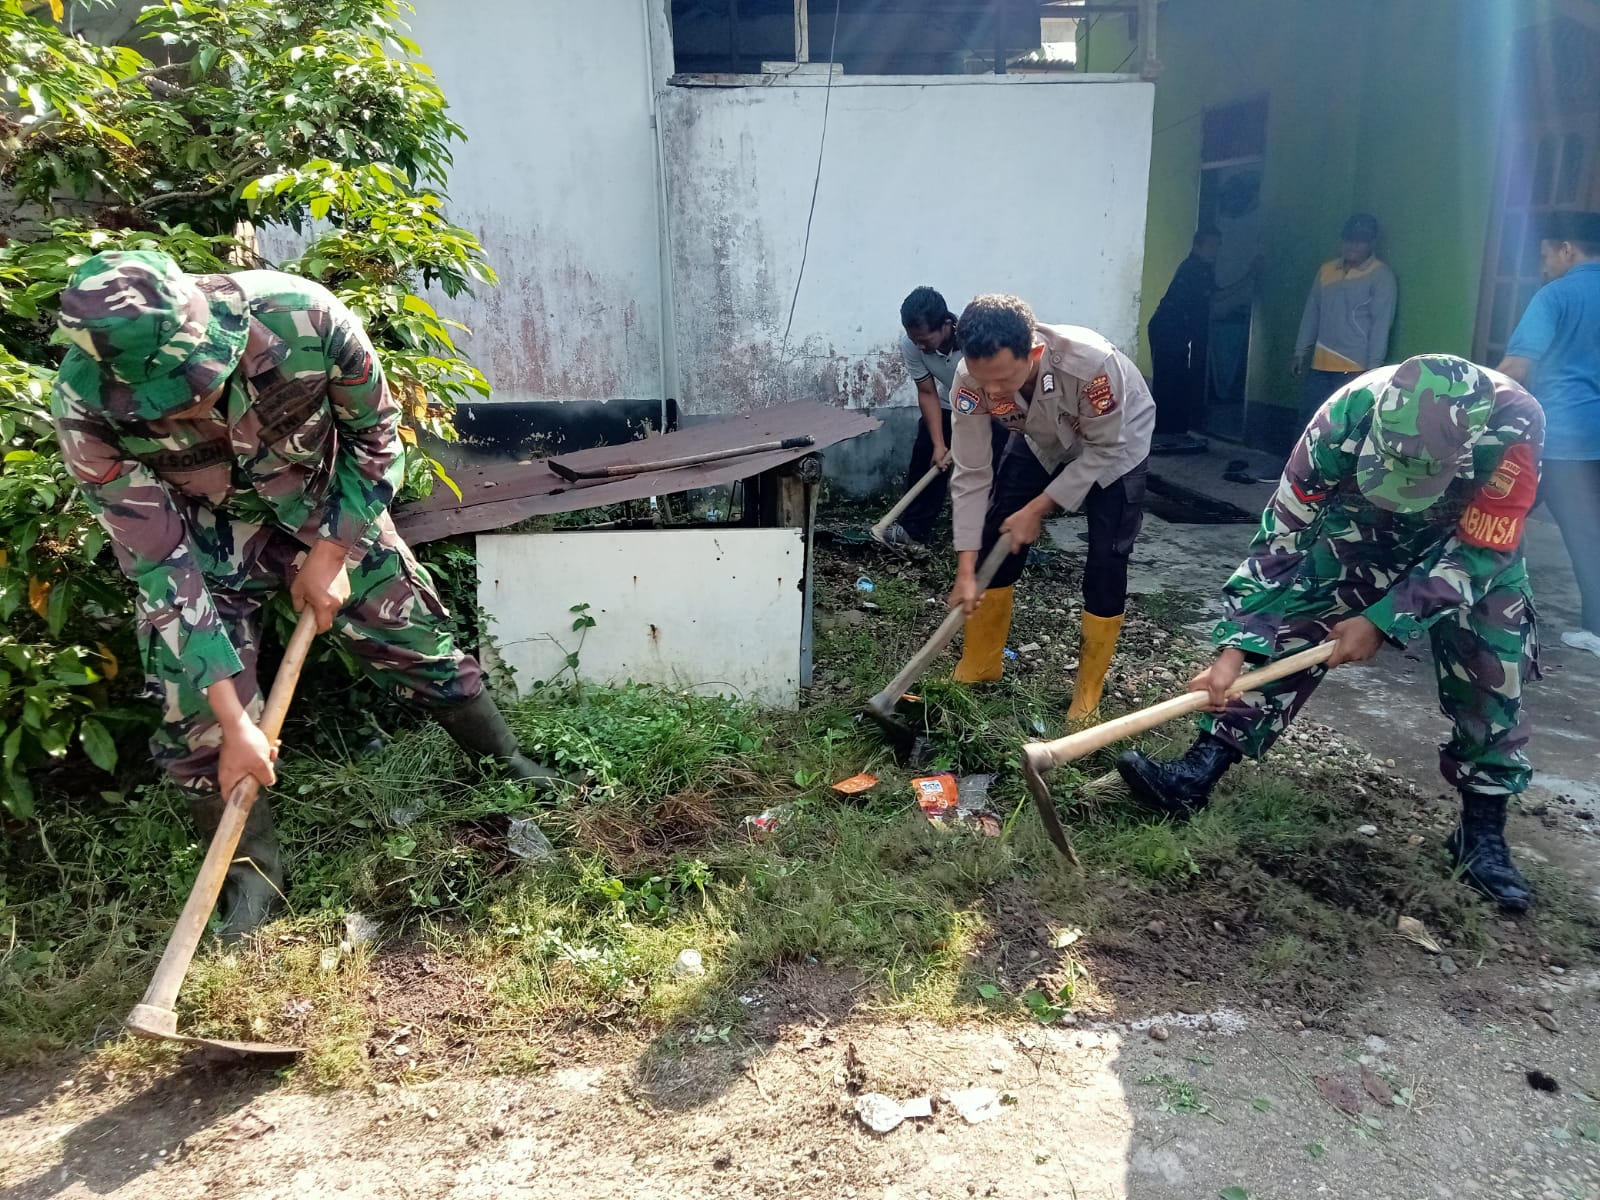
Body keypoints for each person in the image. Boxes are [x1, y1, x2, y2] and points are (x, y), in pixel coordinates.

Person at [51, 250, 565, 938]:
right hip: (203, 539)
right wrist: (235, 724)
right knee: (195, 707)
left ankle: (508, 764)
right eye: (163, 396)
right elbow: (160, 565)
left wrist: (333, 551)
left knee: (413, 634)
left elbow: (376, 438)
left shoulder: (305, 317)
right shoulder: (85, 410)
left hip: (327, 507)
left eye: (195, 377)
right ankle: (251, 879)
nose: (189, 402)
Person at [1118, 356, 1544, 913]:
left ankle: (1482, 832)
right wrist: (1236, 646)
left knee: (1491, 668)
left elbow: (1484, 547)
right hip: (1362, 525)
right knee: (1295, 621)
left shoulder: (1516, 423)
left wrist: (1384, 619)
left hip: (1466, 545)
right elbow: (1284, 538)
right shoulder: (1343, 416)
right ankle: (1198, 771)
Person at [945, 294, 1155, 720]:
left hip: (1116, 445)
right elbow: (971, 473)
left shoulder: (1092, 365)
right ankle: (981, 665)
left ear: (1034, 351)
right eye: (985, 381)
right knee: (999, 527)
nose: (992, 391)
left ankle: (1087, 695)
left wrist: (1039, 508)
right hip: (1042, 437)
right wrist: (966, 569)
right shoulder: (970, 379)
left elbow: (1102, 450)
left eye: (1004, 379)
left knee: (1106, 558)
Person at [1496, 209, 1600, 659]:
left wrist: (1474, 403)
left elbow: (1516, 367)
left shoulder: (1555, 295)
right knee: (1587, 532)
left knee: (1487, 514)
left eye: (1545, 256)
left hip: (1559, 438)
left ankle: (1443, 598)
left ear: (1567, 249)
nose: (1542, 267)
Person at [1259, 213, 1396, 481]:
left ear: (1371, 243)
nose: (1353, 246)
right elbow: (1312, 313)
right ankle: (1295, 475)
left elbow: (1381, 325)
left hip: (1356, 368)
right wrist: (1300, 351)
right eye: (1349, 240)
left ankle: (1335, 482)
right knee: (1308, 421)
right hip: (1321, 363)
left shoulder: (1381, 276)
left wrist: (1373, 371)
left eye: (1360, 241)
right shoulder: (1326, 271)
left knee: (1346, 429)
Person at [878, 286, 1005, 549]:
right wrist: (939, 444)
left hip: (996, 408)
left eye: (925, 339)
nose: (919, 345)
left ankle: (995, 534)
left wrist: (967, 437)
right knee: (926, 451)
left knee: (995, 463)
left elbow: (995, 393)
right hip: (954, 402)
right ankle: (912, 530)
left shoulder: (976, 342)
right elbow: (927, 393)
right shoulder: (912, 345)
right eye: (914, 339)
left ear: (947, 325)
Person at [1146, 228, 1258, 454]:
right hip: (1168, 329)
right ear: (1197, 246)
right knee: (1170, 381)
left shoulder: (1202, 268)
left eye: (1218, 245)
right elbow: (1215, 297)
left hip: (1174, 330)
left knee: (1176, 380)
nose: (1215, 250)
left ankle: (1173, 432)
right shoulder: (1194, 268)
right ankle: (1166, 434)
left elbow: (1207, 302)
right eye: (1211, 245)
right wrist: (1248, 277)